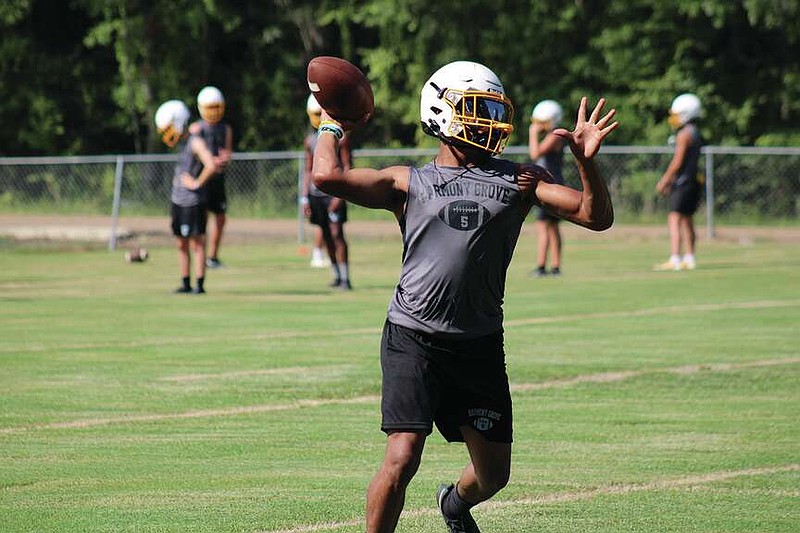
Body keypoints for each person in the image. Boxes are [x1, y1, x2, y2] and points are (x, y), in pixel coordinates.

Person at [312, 60, 617, 532]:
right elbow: (327, 177)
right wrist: (332, 123)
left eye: (493, 109)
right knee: (401, 456)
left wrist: (586, 162)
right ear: (440, 112)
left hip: (477, 344)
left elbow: (595, 217)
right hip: (412, 337)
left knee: (494, 475)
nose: (488, 120)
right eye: (476, 109)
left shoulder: (522, 179)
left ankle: (454, 503)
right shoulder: (406, 181)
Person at [154, 99, 219, 294]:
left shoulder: (195, 142)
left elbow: (212, 164)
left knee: (197, 242)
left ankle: (199, 285)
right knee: (181, 243)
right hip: (178, 201)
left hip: (193, 201)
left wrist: (197, 183)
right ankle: (185, 283)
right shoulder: (181, 144)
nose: (168, 133)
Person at [303, 93, 354, 289]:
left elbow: (347, 167)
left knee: (336, 233)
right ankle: (336, 275)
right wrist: (304, 198)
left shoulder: (341, 138)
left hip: (333, 194)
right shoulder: (309, 140)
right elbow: (308, 169)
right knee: (325, 234)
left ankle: (346, 277)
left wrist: (341, 194)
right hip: (315, 195)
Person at [655, 93, 703, 271]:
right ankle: (690, 258)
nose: (673, 118)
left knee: (674, 219)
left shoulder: (684, 134)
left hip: (683, 182)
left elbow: (677, 162)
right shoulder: (695, 133)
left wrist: (664, 181)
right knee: (688, 220)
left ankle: (675, 258)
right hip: (694, 181)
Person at [191, 86, 233, 269]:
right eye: (210, 108)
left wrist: (225, 158)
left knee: (221, 217)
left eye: (217, 107)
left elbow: (228, 152)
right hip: (203, 180)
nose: (214, 112)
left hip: (218, 180)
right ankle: (201, 256)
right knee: (202, 219)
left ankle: (213, 257)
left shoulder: (225, 128)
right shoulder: (196, 129)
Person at [528, 99, 566, 277]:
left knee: (544, 225)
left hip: (551, 186)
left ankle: (543, 266)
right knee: (551, 226)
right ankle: (554, 267)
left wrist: (532, 134)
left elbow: (535, 154)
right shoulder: (554, 135)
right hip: (552, 184)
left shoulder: (555, 136)